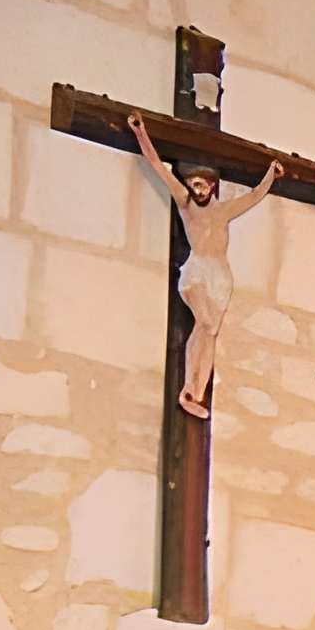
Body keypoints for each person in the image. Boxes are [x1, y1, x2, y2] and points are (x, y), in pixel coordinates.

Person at [126, 113, 283, 419]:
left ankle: (195, 393)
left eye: (201, 186)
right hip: (197, 272)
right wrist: (140, 132)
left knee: (209, 331)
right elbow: (157, 165)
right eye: (193, 185)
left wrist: (271, 175)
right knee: (206, 321)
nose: (197, 191)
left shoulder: (223, 211)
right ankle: (187, 386)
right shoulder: (185, 204)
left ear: (212, 186)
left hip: (220, 276)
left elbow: (254, 196)